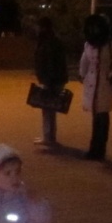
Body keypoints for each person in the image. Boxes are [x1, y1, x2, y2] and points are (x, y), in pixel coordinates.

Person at [79, 14, 112, 161]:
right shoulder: (88, 44)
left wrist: (111, 76)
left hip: (104, 84)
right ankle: (93, 148)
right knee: (95, 117)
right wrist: (82, 74)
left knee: (102, 117)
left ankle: (100, 149)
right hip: (91, 83)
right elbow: (85, 60)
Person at [33, 16, 68, 147]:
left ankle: (49, 137)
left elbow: (50, 63)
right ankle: (48, 136)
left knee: (48, 108)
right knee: (48, 108)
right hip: (52, 79)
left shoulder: (48, 42)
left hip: (52, 79)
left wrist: (48, 81)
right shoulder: (51, 40)